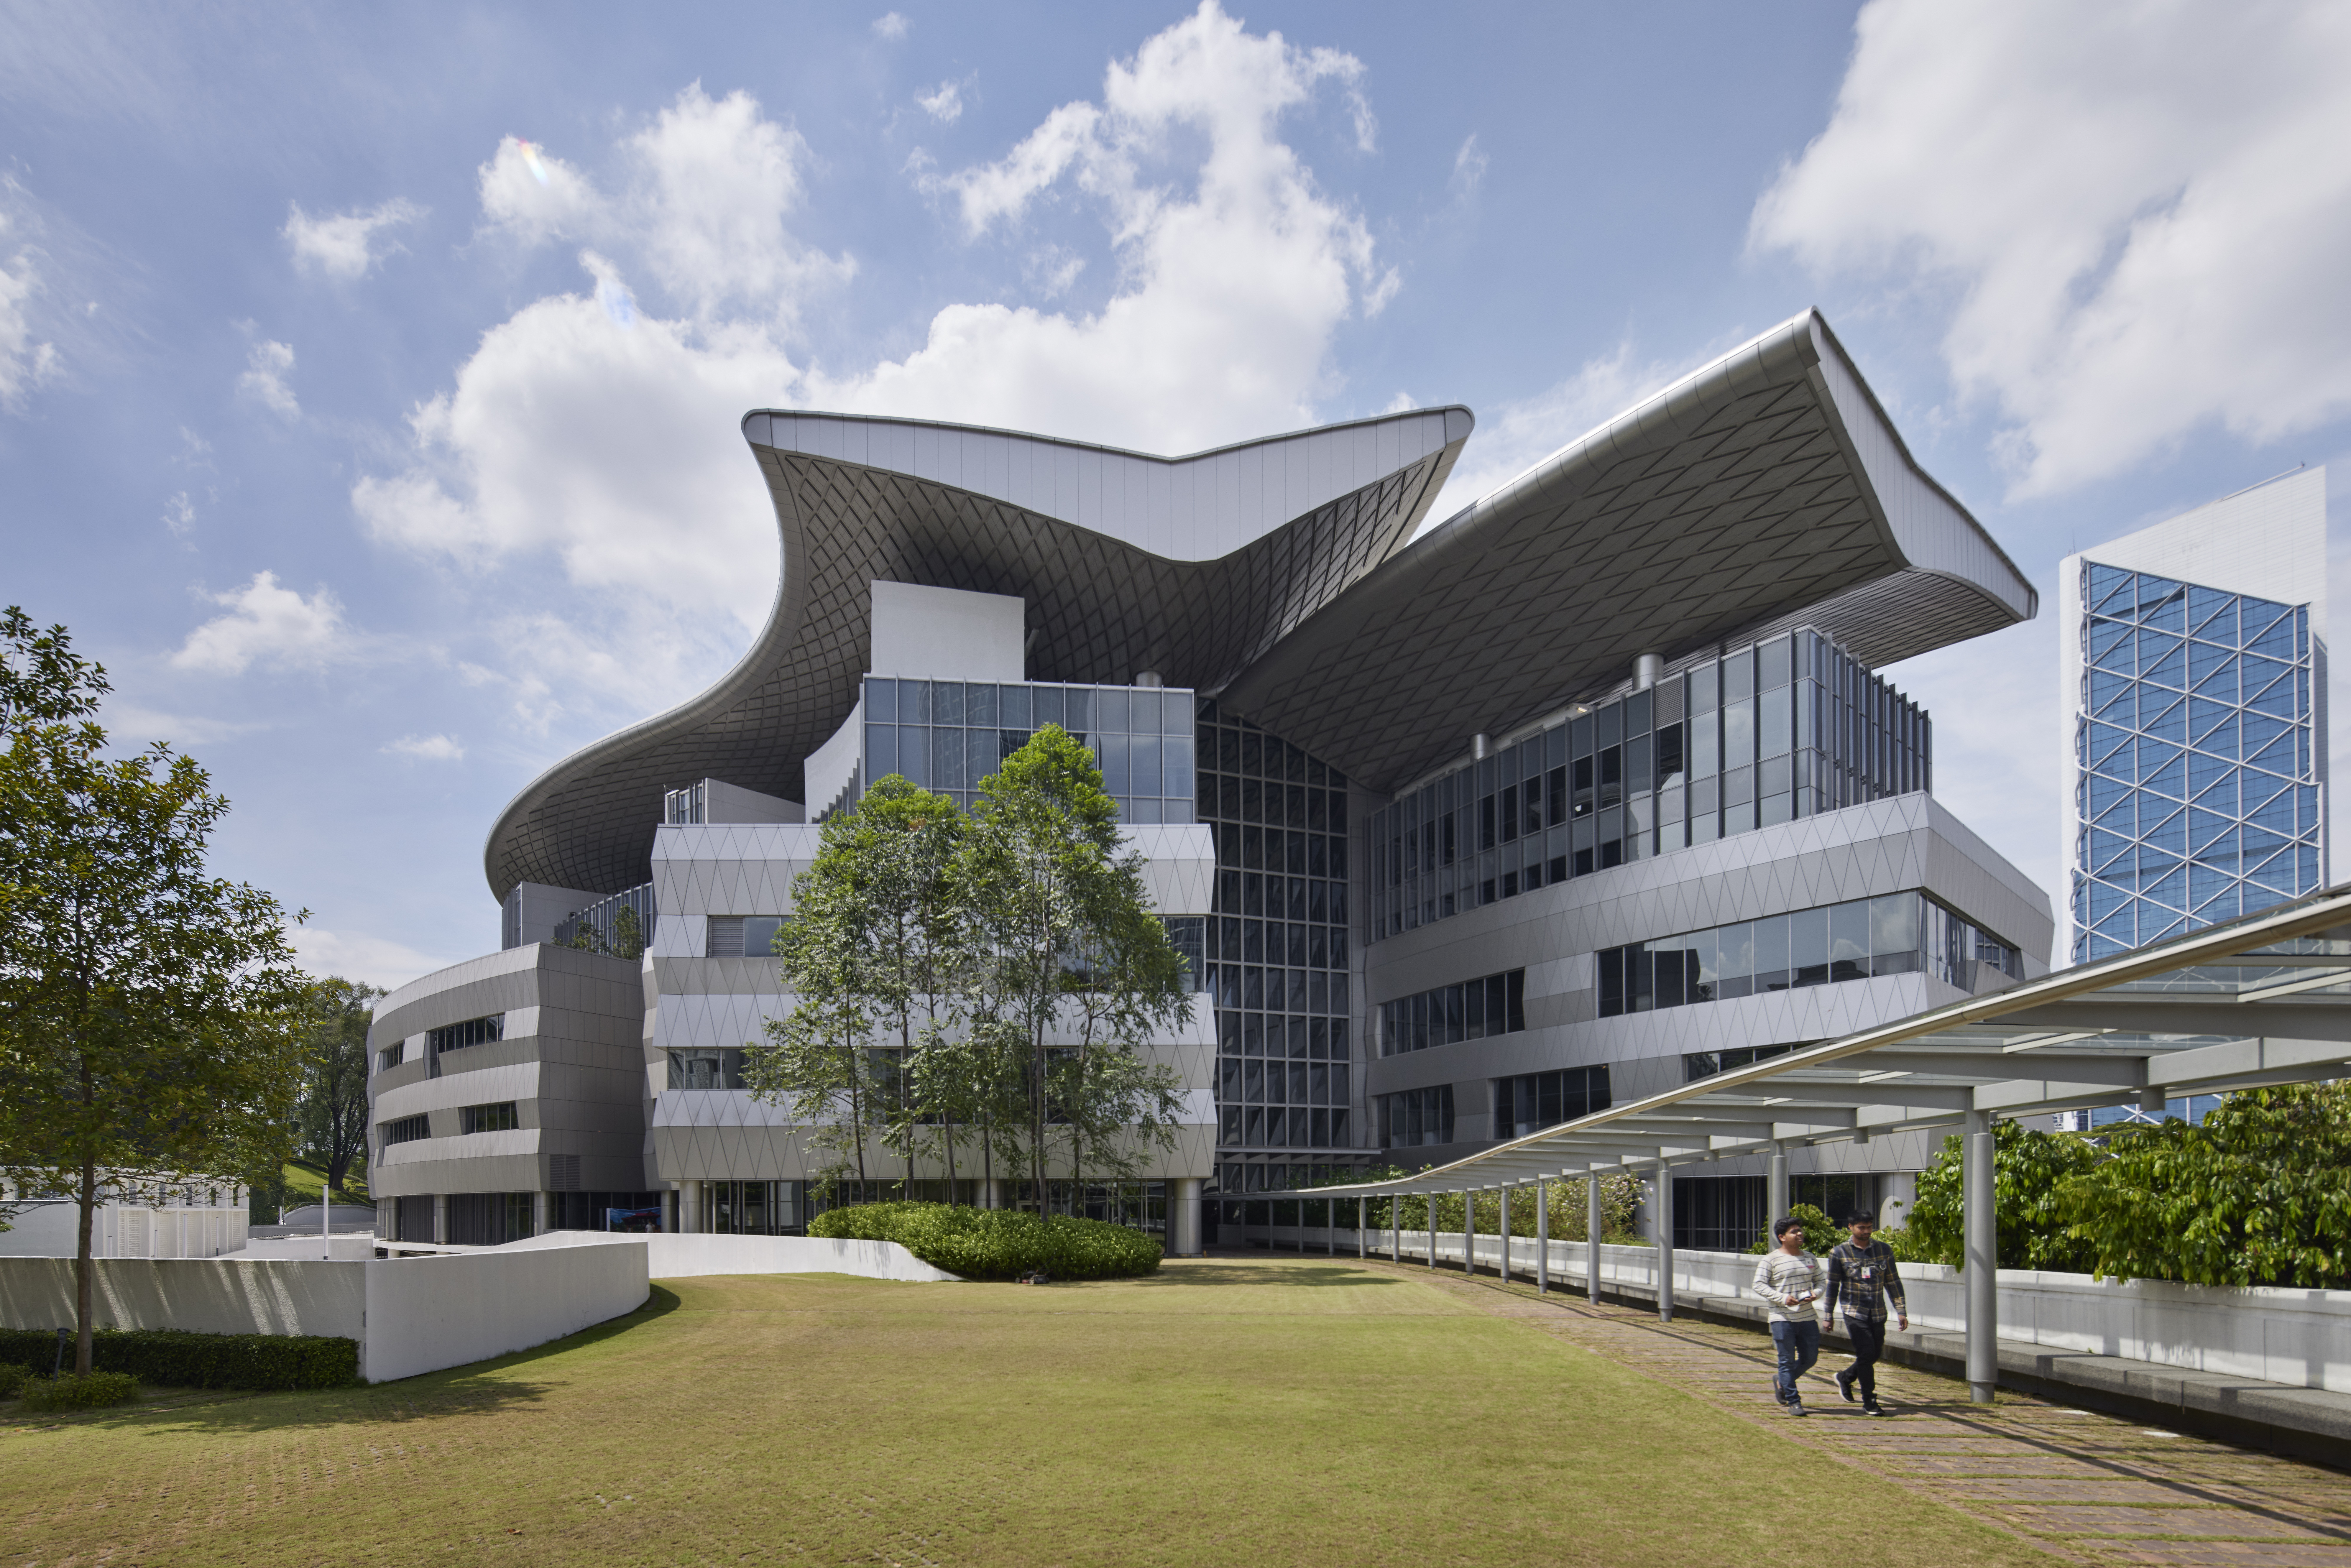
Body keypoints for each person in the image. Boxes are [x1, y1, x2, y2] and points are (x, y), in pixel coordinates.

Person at [1824, 1209, 1907, 1416]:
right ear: (1851, 1227)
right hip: (1854, 1311)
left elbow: (1893, 1282)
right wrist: (1828, 1315)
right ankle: (1869, 1400)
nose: (1867, 1231)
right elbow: (1832, 1286)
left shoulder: (1883, 1250)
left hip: (1878, 1312)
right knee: (1866, 1353)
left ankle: (1846, 1377)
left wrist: (1901, 1310)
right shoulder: (1839, 1253)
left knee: (1874, 1353)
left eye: (1870, 1227)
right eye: (1862, 1228)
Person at [1751, 1216, 1826, 1415]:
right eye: (1794, 1232)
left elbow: (1821, 1281)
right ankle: (1794, 1402)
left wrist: (1815, 1294)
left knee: (1810, 1359)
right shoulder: (1770, 1259)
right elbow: (1758, 1285)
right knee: (1785, 1360)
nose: (1800, 1234)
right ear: (1782, 1237)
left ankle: (1782, 1381)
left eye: (1800, 1230)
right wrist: (1782, 1298)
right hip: (1781, 1318)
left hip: (1808, 1317)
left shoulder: (1809, 1257)